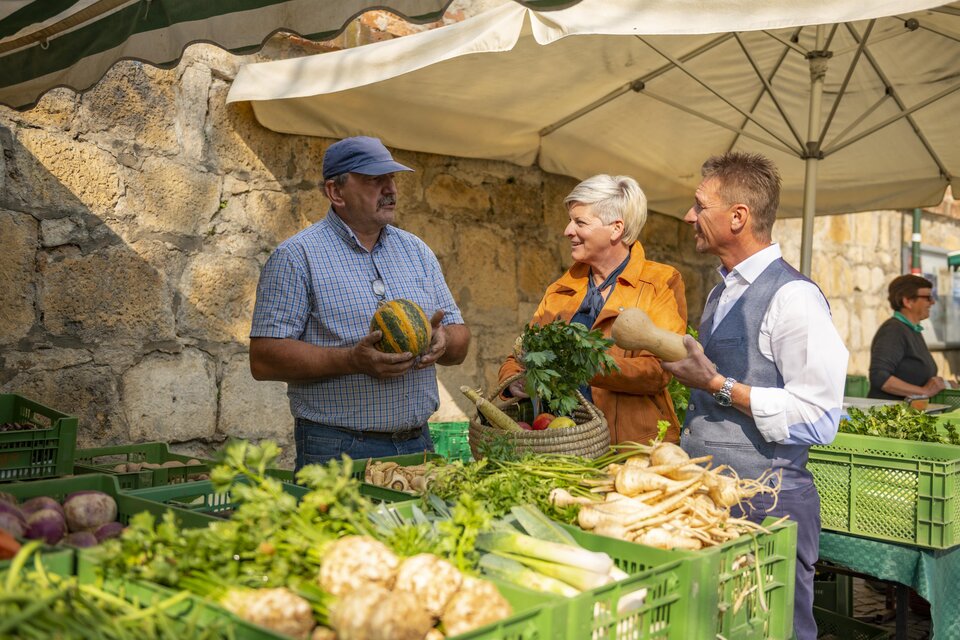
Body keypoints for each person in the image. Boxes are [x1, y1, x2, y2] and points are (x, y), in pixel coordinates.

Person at [660, 152, 848, 640]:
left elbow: (819, 417)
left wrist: (716, 385)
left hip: (767, 505)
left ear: (738, 217)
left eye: (700, 205)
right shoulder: (719, 292)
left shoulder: (795, 298)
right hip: (710, 501)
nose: (689, 217)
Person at [249, 136, 471, 471]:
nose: (390, 189)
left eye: (391, 178)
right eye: (374, 180)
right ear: (336, 192)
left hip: (418, 443)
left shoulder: (417, 252)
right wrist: (352, 360)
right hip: (337, 447)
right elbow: (263, 359)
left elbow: (460, 341)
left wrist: (444, 340)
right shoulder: (296, 257)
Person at [498, 174, 687, 444]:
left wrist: (585, 367)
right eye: (570, 220)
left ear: (616, 228)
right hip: (561, 443)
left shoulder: (660, 283)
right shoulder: (560, 290)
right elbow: (520, 355)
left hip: (632, 447)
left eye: (580, 222)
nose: (567, 230)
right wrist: (514, 380)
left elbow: (657, 372)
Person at [868, 274, 948, 400]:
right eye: (927, 298)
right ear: (908, 301)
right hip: (890, 411)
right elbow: (880, 377)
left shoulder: (912, 330)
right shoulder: (894, 330)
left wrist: (946, 385)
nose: (932, 302)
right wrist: (923, 391)